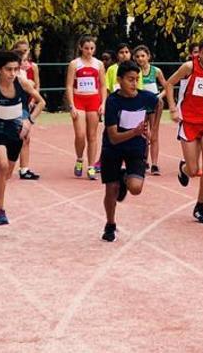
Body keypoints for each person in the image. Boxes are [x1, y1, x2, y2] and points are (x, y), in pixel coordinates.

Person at [165, 36, 203, 224]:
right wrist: (173, 108)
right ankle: (184, 168)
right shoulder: (189, 67)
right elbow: (169, 84)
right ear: (198, 53)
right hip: (189, 121)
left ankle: (200, 205)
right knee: (193, 170)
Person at [0, 50, 45, 225]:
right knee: (1, 164)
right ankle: (0, 210)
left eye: (16, 69)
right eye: (9, 69)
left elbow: (41, 102)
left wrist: (29, 121)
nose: (13, 73)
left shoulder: (22, 83)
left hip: (16, 131)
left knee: (6, 173)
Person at [99, 60, 158, 242]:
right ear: (119, 80)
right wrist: (135, 131)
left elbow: (158, 104)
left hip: (135, 147)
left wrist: (153, 129)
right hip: (113, 148)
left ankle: (125, 177)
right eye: (130, 79)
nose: (134, 83)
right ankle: (110, 224)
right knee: (112, 189)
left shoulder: (145, 97)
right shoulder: (113, 101)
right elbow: (114, 136)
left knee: (136, 188)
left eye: (137, 79)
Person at [65, 36, 107, 181]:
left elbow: (102, 85)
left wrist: (103, 103)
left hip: (93, 100)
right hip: (79, 100)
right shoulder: (74, 64)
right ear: (81, 48)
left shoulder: (99, 64)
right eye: (86, 48)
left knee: (92, 135)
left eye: (92, 48)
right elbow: (69, 85)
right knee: (80, 134)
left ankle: (91, 167)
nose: (89, 51)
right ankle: (79, 159)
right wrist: (71, 105)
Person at [133, 45, 167, 175]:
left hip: (154, 104)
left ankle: (155, 164)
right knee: (141, 132)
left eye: (143, 56)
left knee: (154, 133)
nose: (140, 59)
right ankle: (143, 160)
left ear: (148, 56)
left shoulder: (156, 71)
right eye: (137, 56)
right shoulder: (135, 71)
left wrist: (160, 96)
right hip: (140, 105)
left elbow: (166, 86)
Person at [13, 39, 41, 181]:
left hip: (24, 105)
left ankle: (24, 169)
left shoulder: (29, 70)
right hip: (11, 108)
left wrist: (33, 100)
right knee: (10, 137)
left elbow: (36, 85)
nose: (26, 62)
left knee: (25, 137)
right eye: (23, 57)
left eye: (26, 51)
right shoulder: (12, 74)